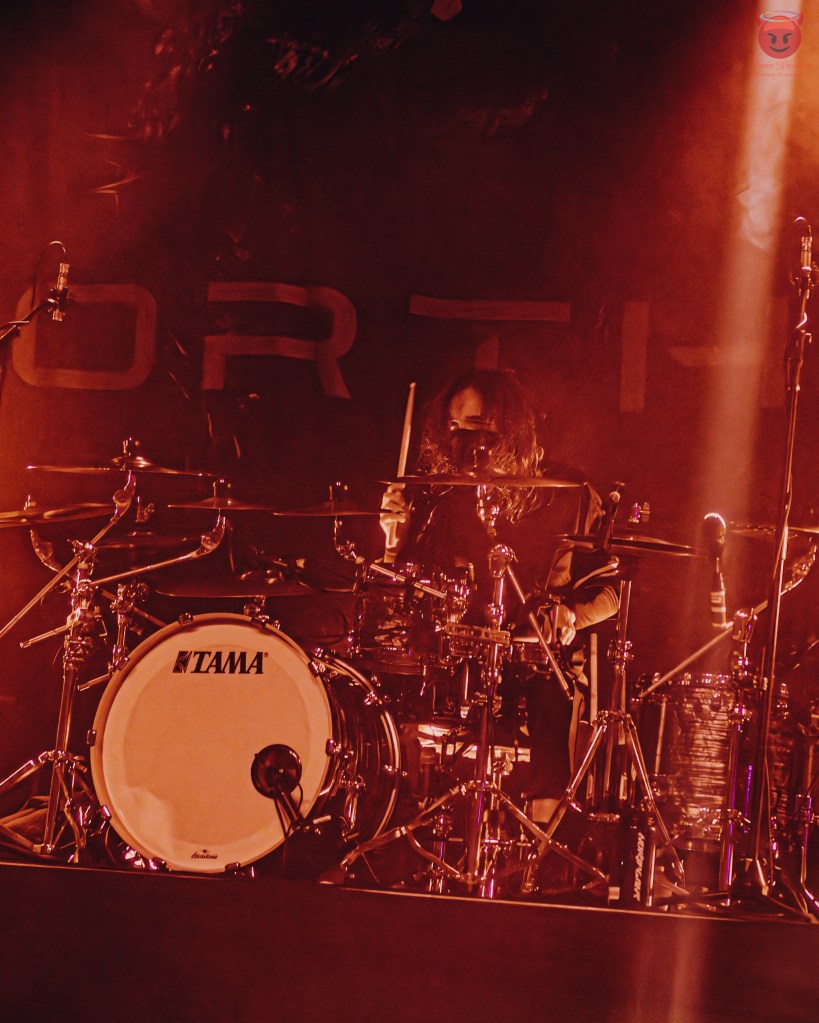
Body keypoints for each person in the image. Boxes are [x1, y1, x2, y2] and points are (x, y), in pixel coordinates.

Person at [379, 368, 619, 823]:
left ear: (511, 429)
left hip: (535, 658)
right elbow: (398, 600)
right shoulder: (438, 496)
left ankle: (541, 838)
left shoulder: (568, 494)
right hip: (453, 656)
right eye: (454, 427)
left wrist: (570, 615)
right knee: (388, 678)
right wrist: (394, 542)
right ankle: (398, 815)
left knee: (553, 697)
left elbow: (612, 590)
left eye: (477, 428)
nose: (464, 442)